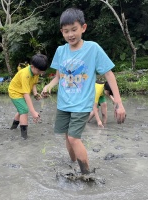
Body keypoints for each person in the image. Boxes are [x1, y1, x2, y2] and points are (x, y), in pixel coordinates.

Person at [41, 8, 126, 175]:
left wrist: (119, 102)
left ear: (83, 28)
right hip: (63, 103)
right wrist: (48, 86)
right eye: (66, 31)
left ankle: (87, 175)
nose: (70, 34)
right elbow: (58, 77)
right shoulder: (60, 51)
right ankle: (73, 164)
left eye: (74, 29)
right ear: (62, 32)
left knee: (74, 138)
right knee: (67, 137)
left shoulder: (92, 48)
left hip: (81, 104)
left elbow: (109, 73)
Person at [8, 54, 48, 139]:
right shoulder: (25, 74)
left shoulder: (36, 72)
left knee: (21, 109)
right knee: (24, 110)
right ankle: (24, 137)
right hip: (15, 92)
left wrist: (35, 93)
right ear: (32, 66)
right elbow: (26, 94)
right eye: (39, 71)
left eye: (42, 71)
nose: (40, 73)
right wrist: (33, 112)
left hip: (22, 91)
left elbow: (33, 84)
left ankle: (13, 128)